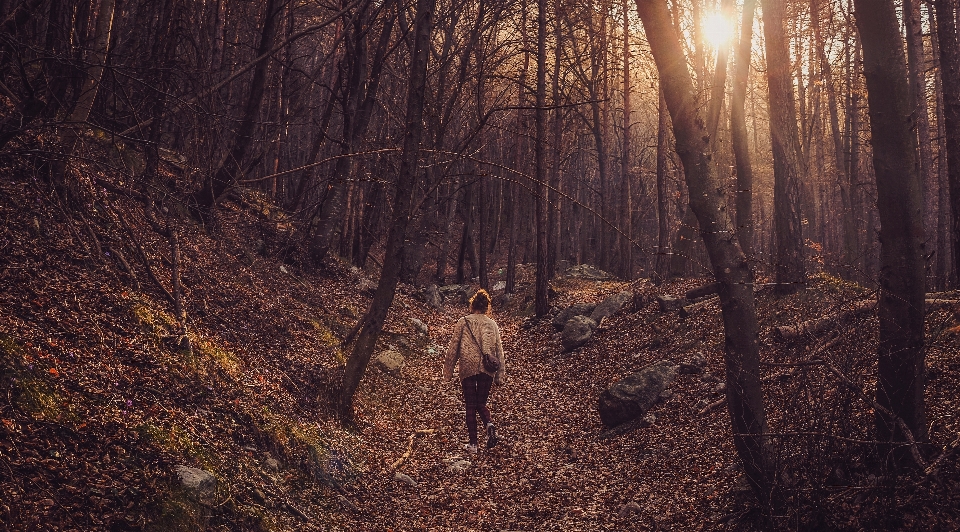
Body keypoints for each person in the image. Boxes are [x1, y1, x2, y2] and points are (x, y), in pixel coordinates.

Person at [443, 289, 505, 454]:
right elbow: (499, 351)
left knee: (471, 404)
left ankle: (473, 444)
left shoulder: (463, 322)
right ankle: (489, 424)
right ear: (486, 307)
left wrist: (448, 372)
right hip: (487, 368)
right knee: (481, 403)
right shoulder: (492, 324)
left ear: (473, 305)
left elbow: (453, 347)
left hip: (468, 366)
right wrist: (500, 376)